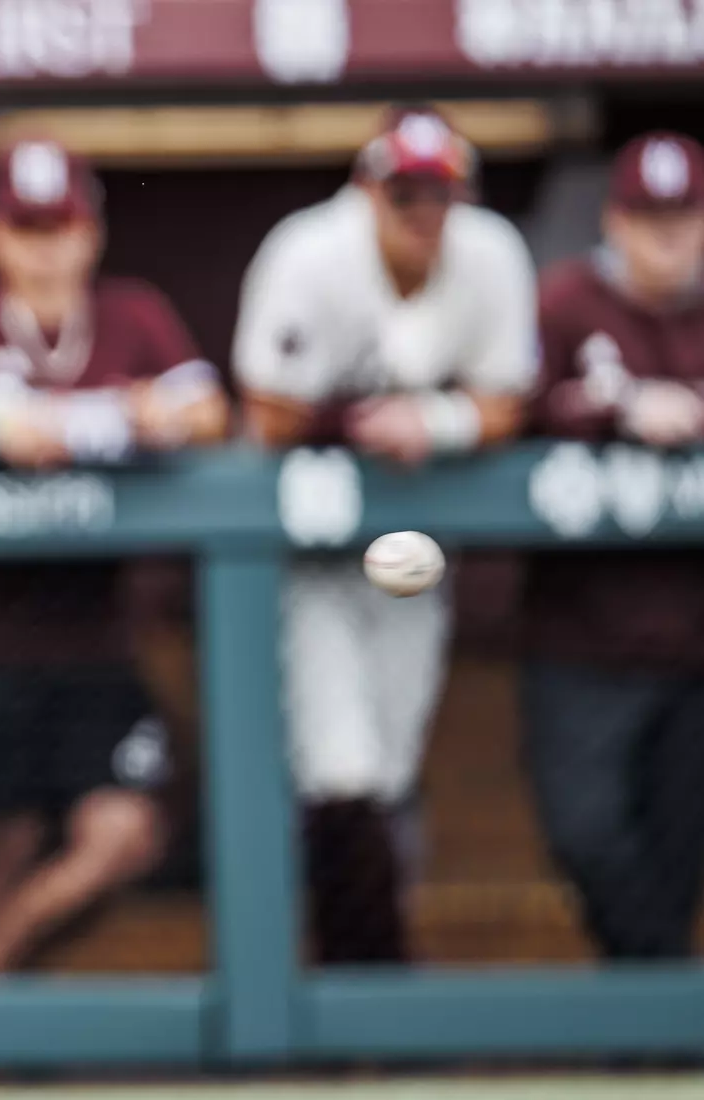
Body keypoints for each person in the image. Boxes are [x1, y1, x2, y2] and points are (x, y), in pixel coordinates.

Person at [0, 139, 228, 974]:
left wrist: (139, 417)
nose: (45, 248)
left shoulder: (132, 310)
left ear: (91, 233)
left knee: (124, 836)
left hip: (96, 638)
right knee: (1, 857)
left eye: (61, 227)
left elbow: (210, 412)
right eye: (26, 228)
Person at [233, 106, 536, 963]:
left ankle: (357, 982)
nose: (422, 214)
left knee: (389, 770)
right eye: (403, 194)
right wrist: (358, 419)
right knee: (340, 767)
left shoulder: (490, 255)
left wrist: (431, 420)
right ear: (367, 190)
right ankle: (355, 989)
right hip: (306, 552)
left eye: (437, 196)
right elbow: (265, 407)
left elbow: (507, 400)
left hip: (415, 544)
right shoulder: (309, 252)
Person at [526, 131, 704, 959]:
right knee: (585, 831)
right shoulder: (563, 305)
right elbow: (511, 411)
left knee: (680, 852)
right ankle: (652, 1009)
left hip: (693, 646)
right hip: (583, 637)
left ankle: (647, 1043)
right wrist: (615, 412)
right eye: (647, 216)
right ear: (614, 221)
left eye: (683, 215)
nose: (666, 235)